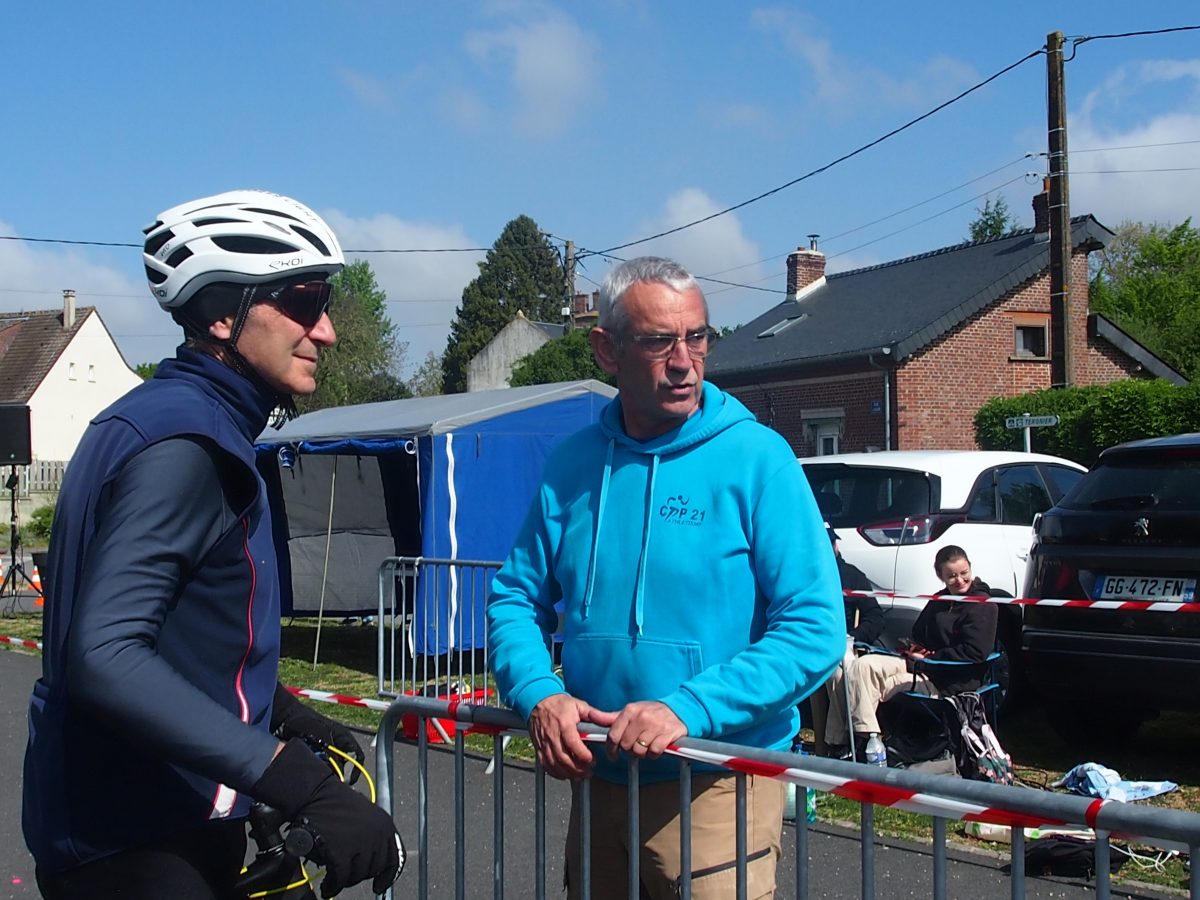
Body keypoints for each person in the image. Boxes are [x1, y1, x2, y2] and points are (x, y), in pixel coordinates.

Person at [23, 191, 401, 900]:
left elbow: (188, 638)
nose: (326, 331)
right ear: (224, 315)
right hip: (140, 843)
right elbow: (106, 655)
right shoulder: (189, 446)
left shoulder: (161, 419)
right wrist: (296, 781)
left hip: (138, 827)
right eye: (305, 302)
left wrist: (282, 714)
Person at [486, 256, 843, 900]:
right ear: (607, 350)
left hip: (717, 779)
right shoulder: (572, 464)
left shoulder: (759, 458)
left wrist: (688, 708)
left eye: (697, 337)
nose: (684, 361)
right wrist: (538, 693)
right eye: (658, 341)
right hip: (598, 777)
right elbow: (515, 597)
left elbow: (815, 629)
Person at [830, 544, 1001, 750]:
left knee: (868, 685)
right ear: (940, 576)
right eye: (952, 576)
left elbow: (975, 652)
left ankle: (861, 744)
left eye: (964, 573)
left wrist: (932, 658)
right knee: (861, 666)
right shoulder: (939, 600)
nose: (960, 580)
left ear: (970, 568)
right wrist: (916, 647)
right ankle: (850, 740)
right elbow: (918, 632)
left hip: (948, 678)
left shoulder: (983, 606)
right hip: (919, 665)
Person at [810, 524, 885, 756]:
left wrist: (855, 637)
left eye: (831, 542)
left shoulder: (852, 575)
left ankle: (841, 742)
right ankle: (847, 741)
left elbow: (875, 617)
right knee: (834, 671)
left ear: (836, 545)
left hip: (847, 643)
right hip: (814, 643)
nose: (829, 547)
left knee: (843, 672)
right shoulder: (806, 576)